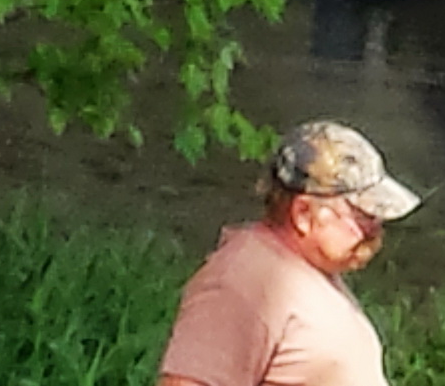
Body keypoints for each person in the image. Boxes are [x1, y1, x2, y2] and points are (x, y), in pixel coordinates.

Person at [158, 121, 423, 386]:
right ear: (304, 214)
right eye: (364, 215)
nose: (376, 230)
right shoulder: (241, 283)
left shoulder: (305, 270)